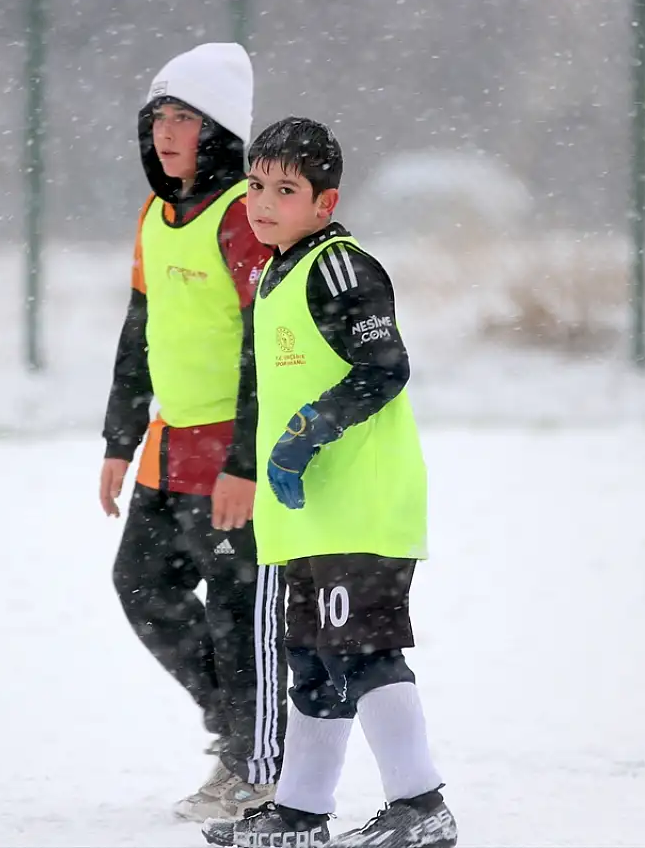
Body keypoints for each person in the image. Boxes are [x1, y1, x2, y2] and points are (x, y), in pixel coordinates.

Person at [202, 117, 458, 848]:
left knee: (366, 651)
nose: (263, 201)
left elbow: (384, 369)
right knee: (314, 659)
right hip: (307, 516)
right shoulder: (272, 275)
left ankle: (421, 804)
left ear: (325, 201)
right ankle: (301, 811)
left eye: (286, 189)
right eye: (255, 185)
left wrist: (310, 430)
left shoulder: (341, 267)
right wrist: (256, 462)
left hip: (362, 507)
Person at [99, 42, 285, 822]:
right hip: (166, 451)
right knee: (141, 584)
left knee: (232, 608)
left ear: (215, 131)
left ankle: (255, 757)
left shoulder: (242, 216)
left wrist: (245, 459)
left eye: (182, 117)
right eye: (157, 118)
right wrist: (117, 438)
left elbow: (263, 347)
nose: (166, 132)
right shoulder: (154, 213)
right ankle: (239, 731)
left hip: (228, 459)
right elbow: (139, 327)